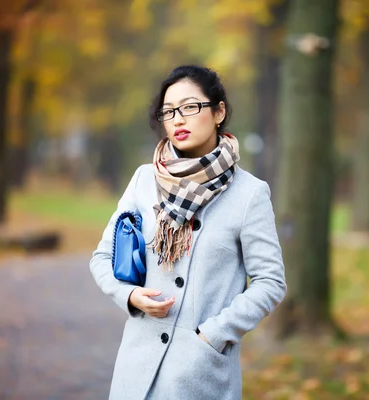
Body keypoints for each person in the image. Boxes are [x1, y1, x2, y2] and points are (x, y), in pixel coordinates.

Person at [89, 65, 287, 400]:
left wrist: (213, 334)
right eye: (169, 111)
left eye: (190, 107)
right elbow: (102, 257)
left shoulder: (248, 193)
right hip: (137, 371)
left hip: (200, 374)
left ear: (218, 111)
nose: (178, 119)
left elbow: (270, 282)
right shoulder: (144, 180)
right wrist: (130, 297)